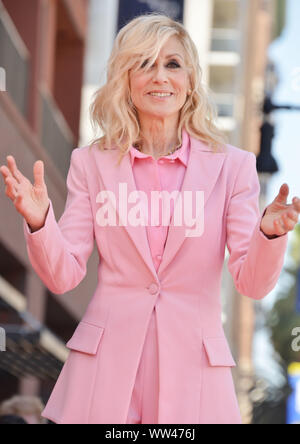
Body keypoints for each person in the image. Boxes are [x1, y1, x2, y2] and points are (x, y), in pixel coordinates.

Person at [0, 13, 299, 425]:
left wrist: (268, 233)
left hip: (194, 373)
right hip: (105, 371)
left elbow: (251, 281)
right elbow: (65, 273)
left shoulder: (234, 168)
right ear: (126, 79)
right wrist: (40, 223)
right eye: (144, 64)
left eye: (173, 64)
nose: (160, 77)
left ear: (190, 79)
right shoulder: (90, 164)